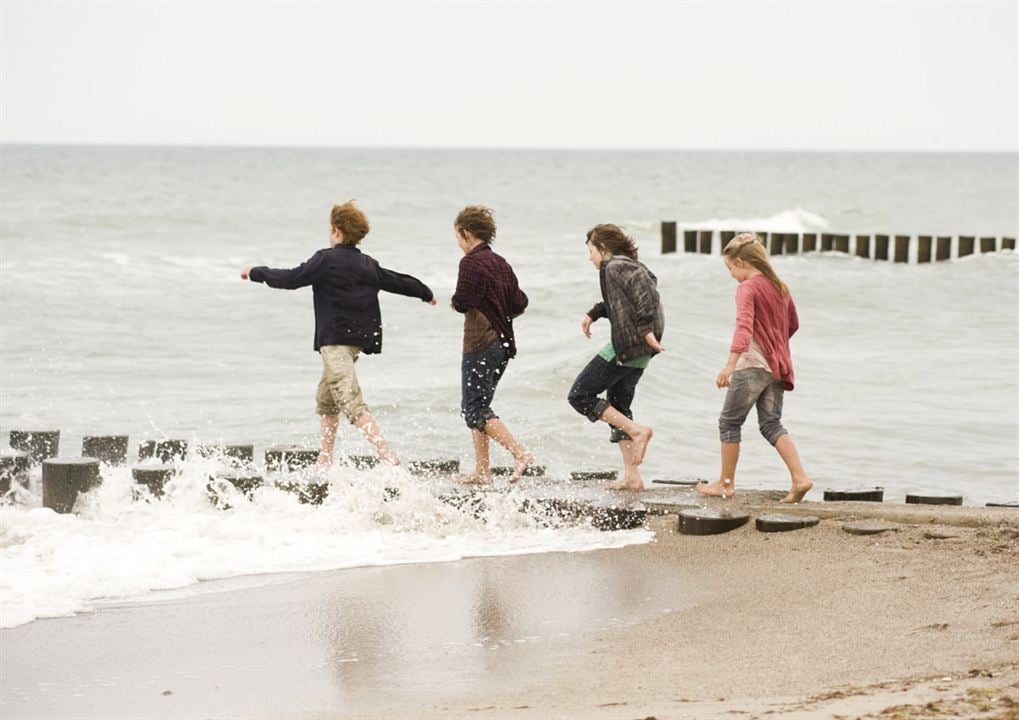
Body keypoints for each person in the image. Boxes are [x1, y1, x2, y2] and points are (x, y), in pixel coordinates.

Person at [240, 201, 436, 467]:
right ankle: (325, 458)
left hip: (335, 341)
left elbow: (291, 278)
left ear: (336, 230)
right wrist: (424, 292)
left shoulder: (325, 259)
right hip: (356, 342)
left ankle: (387, 455)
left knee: (349, 400)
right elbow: (397, 281)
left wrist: (256, 272)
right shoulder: (367, 263)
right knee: (326, 398)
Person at [696, 233, 813, 503]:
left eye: (730, 269)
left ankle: (725, 484)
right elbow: (792, 325)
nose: (731, 275)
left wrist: (729, 365)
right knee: (771, 423)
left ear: (741, 262)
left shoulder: (747, 288)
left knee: (729, 422)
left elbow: (744, 327)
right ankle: (800, 477)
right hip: (777, 366)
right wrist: (774, 345)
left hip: (752, 365)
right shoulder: (780, 286)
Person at [567, 224, 665, 491]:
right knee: (619, 408)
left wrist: (645, 330)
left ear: (603, 248)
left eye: (590, 251)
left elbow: (646, 293)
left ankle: (637, 431)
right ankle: (632, 477)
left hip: (629, 346)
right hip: (639, 349)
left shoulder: (616, 266)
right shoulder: (623, 267)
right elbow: (624, 301)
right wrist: (594, 313)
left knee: (579, 395)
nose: (589, 257)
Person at [450, 205, 533, 484]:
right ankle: (482, 471)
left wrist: (457, 304)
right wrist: (499, 316)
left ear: (466, 233)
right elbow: (520, 303)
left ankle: (520, 453)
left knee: (473, 409)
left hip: (480, 343)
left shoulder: (471, 262)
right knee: (480, 406)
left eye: (457, 236)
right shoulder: (500, 262)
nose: (457, 242)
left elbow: (462, 301)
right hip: (502, 345)